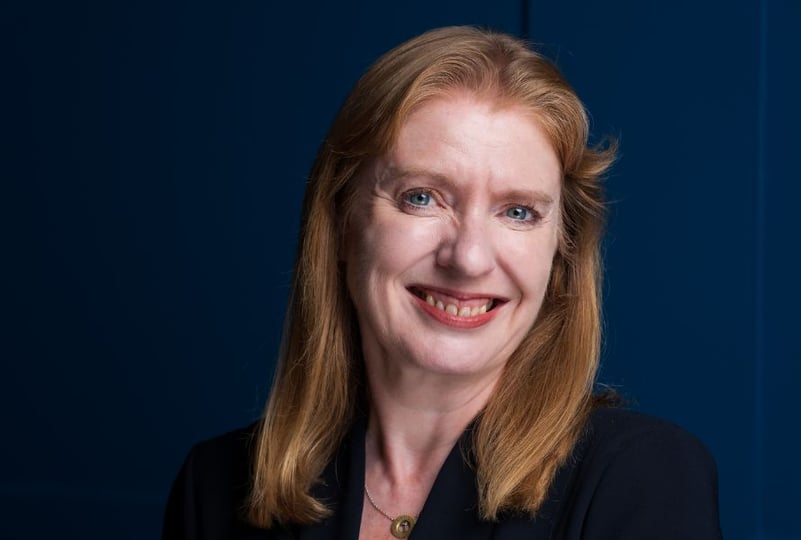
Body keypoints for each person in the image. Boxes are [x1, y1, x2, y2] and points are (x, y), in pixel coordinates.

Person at [163, 26, 722, 539]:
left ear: (560, 254)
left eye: (518, 212)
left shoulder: (640, 480)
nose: (469, 258)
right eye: (422, 198)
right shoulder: (214, 490)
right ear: (341, 223)